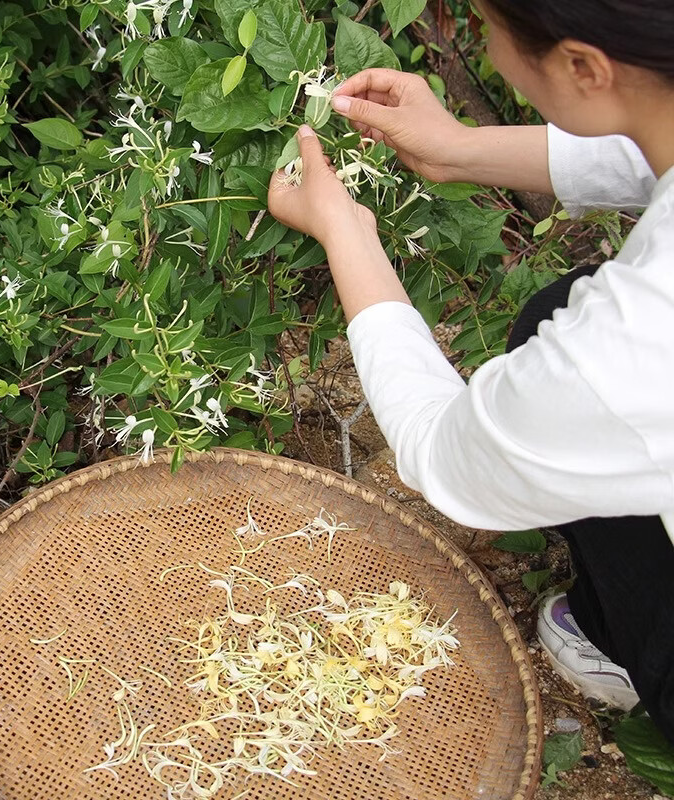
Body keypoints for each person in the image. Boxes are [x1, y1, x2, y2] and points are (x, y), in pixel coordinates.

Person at [268, 0, 674, 742]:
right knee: (551, 310)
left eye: (487, 27)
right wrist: (457, 149)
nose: (482, 51)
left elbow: (442, 453)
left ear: (584, 66)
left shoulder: (637, 342)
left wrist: (345, 233)